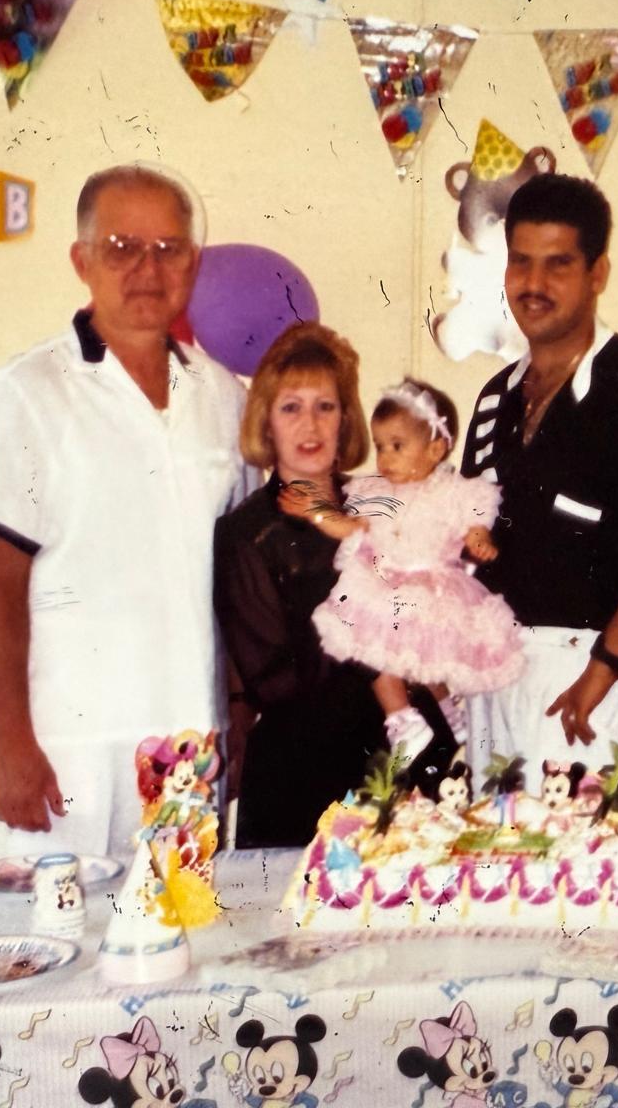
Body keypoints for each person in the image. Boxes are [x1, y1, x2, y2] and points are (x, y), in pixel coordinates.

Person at [0, 164, 255, 857]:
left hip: (189, 744)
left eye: (168, 248)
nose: (147, 269)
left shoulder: (223, 398)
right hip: (72, 747)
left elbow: (236, 581)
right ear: (81, 261)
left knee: (184, 946)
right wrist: (12, 745)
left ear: (193, 263)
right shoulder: (26, 392)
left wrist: (237, 715)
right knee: (64, 948)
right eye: (121, 247)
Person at [460, 174, 618, 790]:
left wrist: (605, 667)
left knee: (592, 874)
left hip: (589, 677)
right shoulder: (496, 397)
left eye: (558, 265)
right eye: (521, 262)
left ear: (597, 273)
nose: (534, 285)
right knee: (493, 868)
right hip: (492, 677)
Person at [213, 325, 455, 848]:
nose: (310, 424)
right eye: (291, 407)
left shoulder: (384, 501)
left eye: (326, 406)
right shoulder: (246, 532)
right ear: (266, 423)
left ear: (346, 418)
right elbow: (273, 679)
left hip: (407, 762)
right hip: (305, 777)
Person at [300, 378, 525, 713]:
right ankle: (401, 719)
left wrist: (479, 536)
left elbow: (476, 513)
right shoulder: (374, 491)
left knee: (425, 658)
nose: (385, 459)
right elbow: (351, 527)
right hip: (381, 584)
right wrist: (314, 511)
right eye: (380, 447)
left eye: (397, 446)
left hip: (430, 588)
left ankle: (446, 710)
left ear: (435, 449)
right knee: (383, 660)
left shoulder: (452, 491)